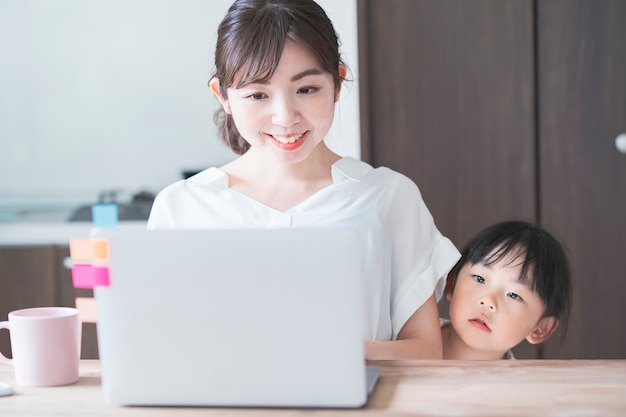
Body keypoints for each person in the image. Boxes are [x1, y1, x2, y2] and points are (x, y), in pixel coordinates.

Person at [147, 0, 460, 360]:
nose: (285, 118)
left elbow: (425, 350)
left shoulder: (389, 196)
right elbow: (160, 346)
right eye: (257, 95)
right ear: (224, 97)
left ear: (338, 83)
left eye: (307, 89)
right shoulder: (183, 207)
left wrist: (333, 353)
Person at [440, 220, 572, 360]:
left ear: (541, 328)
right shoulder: (415, 336)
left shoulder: (518, 382)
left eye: (513, 295)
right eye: (479, 278)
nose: (488, 301)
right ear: (452, 284)